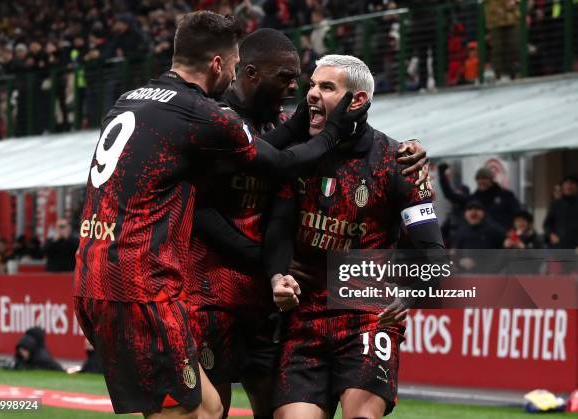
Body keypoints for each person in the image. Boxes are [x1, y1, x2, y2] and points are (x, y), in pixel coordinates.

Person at [73, 11, 366, 419]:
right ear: (218, 63)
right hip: (139, 284)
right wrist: (335, 130)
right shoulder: (202, 113)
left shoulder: (133, 99)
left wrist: (299, 119)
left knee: (209, 409)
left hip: (96, 271)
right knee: (190, 415)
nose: (232, 77)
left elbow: (254, 154)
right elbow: (278, 163)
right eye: (231, 65)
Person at [186, 29, 430, 419]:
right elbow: (207, 211)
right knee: (211, 412)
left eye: (318, 85)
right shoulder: (220, 123)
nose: (299, 90)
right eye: (289, 79)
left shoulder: (293, 129)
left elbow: (431, 249)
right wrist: (271, 266)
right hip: (221, 294)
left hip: (311, 308)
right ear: (251, 73)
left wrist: (412, 153)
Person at [263, 55, 445, 419]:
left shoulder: (399, 161)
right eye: (312, 84)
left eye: (326, 87)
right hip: (304, 316)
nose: (311, 93)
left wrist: (411, 295)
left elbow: (433, 251)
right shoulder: (294, 155)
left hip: (367, 316)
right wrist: (277, 276)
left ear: (357, 100)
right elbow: (279, 228)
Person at [438, 165, 520, 230]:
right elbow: (450, 195)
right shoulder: (473, 199)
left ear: (491, 179)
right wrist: (442, 174)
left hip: (502, 239)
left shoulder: (506, 195)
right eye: (478, 178)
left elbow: (518, 214)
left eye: (484, 178)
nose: (481, 181)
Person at [544, 175, 578, 250]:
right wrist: (551, 234)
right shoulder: (556, 204)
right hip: (559, 245)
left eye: (572, 184)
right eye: (566, 184)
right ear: (562, 186)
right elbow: (547, 224)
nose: (569, 186)